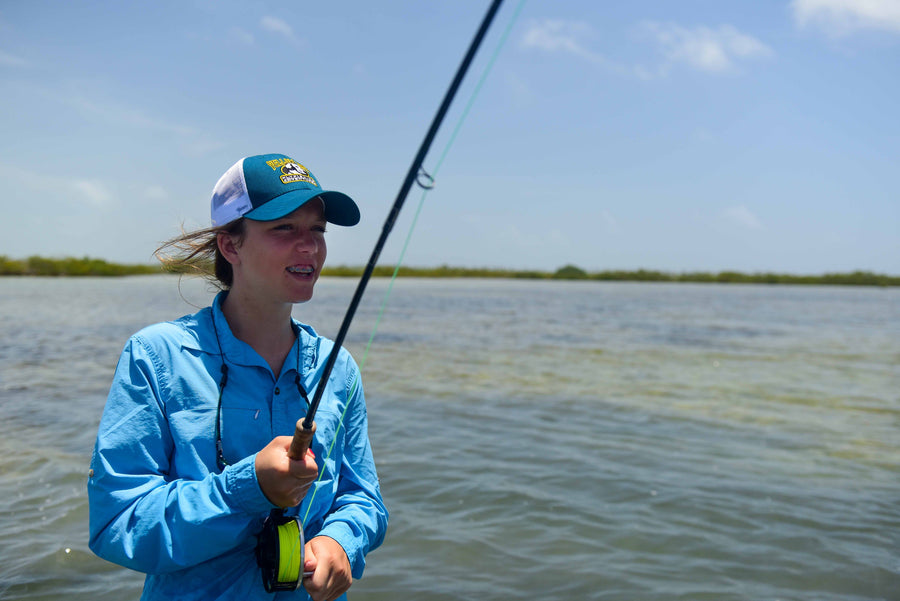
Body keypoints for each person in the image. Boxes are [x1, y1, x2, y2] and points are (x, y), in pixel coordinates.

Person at [88, 153, 388, 601]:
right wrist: (247, 488)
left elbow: (363, 499)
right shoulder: (156, 356)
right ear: (231, 246)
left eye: (318, 230)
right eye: (284, 228)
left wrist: (339, 542)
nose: (309, 246)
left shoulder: (337, 366)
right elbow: (119, 523)